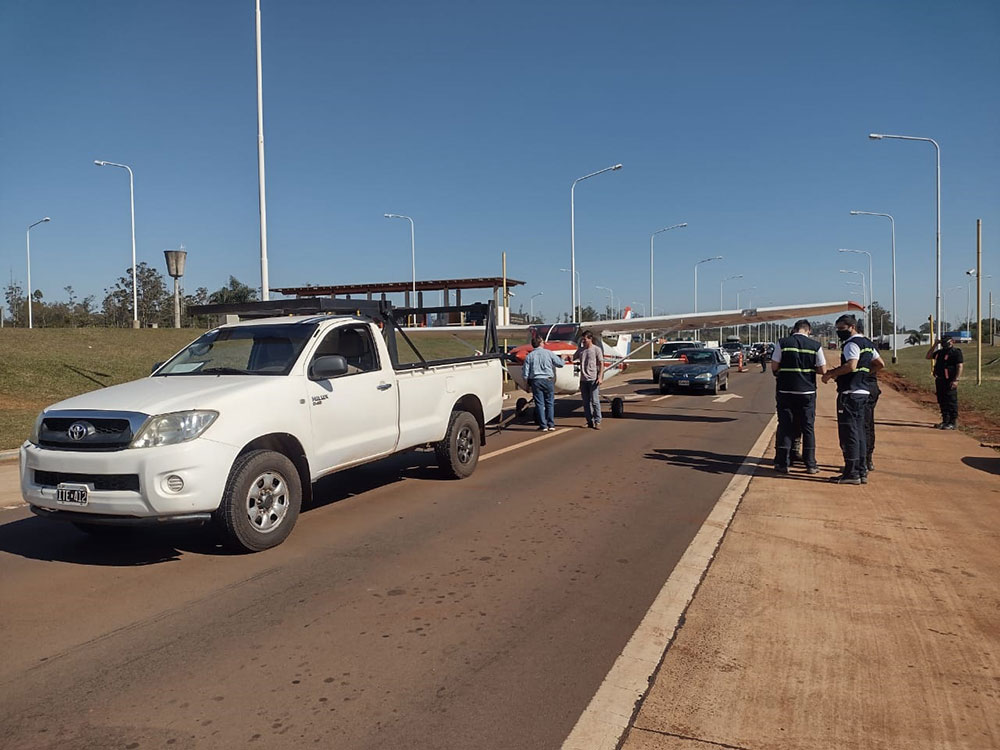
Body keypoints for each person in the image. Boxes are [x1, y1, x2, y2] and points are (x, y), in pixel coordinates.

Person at [821, 314, 884, 485]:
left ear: (852, 327)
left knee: (850, 433)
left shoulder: (851, 344)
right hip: (863, 392)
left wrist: (831, 374)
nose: (839, 332)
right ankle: (861, 470)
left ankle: (852, 472)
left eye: (841, 329)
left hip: (850, 394)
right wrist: (864, 374)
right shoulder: (868, 344)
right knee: (860, 432)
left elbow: (851, 365)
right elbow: (879, 364)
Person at [770, 319, 827, 475]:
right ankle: (811, 464)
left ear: (794, 329)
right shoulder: (815, 346)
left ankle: (783, 463)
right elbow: (822, 369)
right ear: (808, 330)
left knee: (785, 426)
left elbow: (774, 366)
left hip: (785, 391)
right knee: (808, 427)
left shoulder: (782, 343)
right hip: (807, 392)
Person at [522, 335, 564, 431]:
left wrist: (526, 386)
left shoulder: (530, 356)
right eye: (543, 341)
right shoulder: (549, 353)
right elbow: (560, 364)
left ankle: (543, 426)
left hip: (536, 381)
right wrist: (563, 358)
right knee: (550, 403)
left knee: (540, 404)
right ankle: (551, 424)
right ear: (541, 343)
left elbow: (525, 374)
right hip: (548, 380)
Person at [926, 336, 964, 429]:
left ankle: (952, 422)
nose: (945, 345)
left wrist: (956, 380)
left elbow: (960, 366)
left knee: (951, 401)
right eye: (943, 343)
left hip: (950, 380)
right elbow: (928, 356)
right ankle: (945, 421)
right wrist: (935, 344)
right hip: (940, 380)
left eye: (946, 342)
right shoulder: (940, 353)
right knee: (942, 401)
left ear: (952, 342)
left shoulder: (956, 352)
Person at [573, 330, 604, 429]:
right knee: (585, 402)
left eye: (585, 339)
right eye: (582, 339)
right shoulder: (581, 350)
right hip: (583, 379)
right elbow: (573, 357)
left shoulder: (596, 349)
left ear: (590, 339)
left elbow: (601, 363)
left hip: (593, 379)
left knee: (595, 401)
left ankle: (598, 420)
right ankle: (589, 421)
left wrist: (600, 377)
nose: (583, 341)